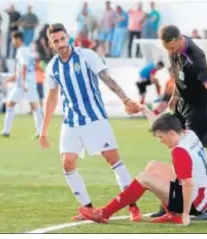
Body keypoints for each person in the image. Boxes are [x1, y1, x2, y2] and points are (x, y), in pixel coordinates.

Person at [38, 23, 142, 222]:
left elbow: (106, 79)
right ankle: (88, 209)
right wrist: (44, 131)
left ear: (67, 37)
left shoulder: (87, 56)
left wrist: (125, 100)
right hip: (71, 121)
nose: (60, 44)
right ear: (51, 44)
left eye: (62, 39)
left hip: (95, 118)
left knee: (112, 159)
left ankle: (132, 206)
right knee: (67, 163)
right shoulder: (52, 67)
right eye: (55, 41)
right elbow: (51, 99)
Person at [78, 109, 207, 225]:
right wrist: (144, 109)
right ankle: (172, 213)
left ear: (171, 133)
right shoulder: (188, 134)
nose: (161, 141)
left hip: (196, 202)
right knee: (152, 167)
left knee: (143, 178)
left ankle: (104, 213)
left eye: (161, 137)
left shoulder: (179, 150)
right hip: (203, 194)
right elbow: (162, 125)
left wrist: (185, 214)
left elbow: (188, 183)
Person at [150, 25, 207, 220]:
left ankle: (203, 208)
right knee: (175, 151)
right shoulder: (172, 50)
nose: (171, 52)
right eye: (168, 49)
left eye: (173, 48)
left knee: (192, 156)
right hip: (182, 104)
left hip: (199, 109)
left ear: (180, 39)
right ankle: (170, 203)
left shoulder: (195, 57)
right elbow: (177, 75)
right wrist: (174, 95)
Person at [0, 31, 43, 138]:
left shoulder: (21, 51)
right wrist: (12, 78)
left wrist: (22, 82)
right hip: (30, 82)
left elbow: (24, 66)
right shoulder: (27, 50)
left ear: (18, 39)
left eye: (13, 39)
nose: (12, 42)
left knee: (11, 104)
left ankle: (6, 131)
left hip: (24, 84)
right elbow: (23, 68)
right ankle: (40, 132)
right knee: (34, 106)